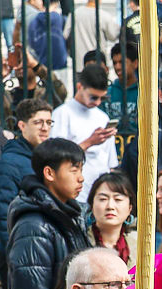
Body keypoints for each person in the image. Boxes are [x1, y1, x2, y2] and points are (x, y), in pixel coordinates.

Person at [2, 137, 89, 289]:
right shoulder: (34, 226)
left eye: (81, 170)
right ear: (49, 173)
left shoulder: (72, 214)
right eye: (74, 170)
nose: (81, 178)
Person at [0, 100, 53, 277]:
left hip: (42, 249)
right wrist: (15, 256)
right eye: (38, 122)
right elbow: (3, 214)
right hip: (20, 256)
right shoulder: (10, 162)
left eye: (49, 123)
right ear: (22, 125)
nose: (45, 128)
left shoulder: (45, 157)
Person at [47, 66, 116, 201]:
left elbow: (110, 162)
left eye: (102, 98)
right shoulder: (62, 114)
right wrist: (89, 142)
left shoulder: (103, 117)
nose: (97, 102)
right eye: (93, 97)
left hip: (101, 192)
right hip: (74, 194)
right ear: (79, 87)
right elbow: (55, 157)